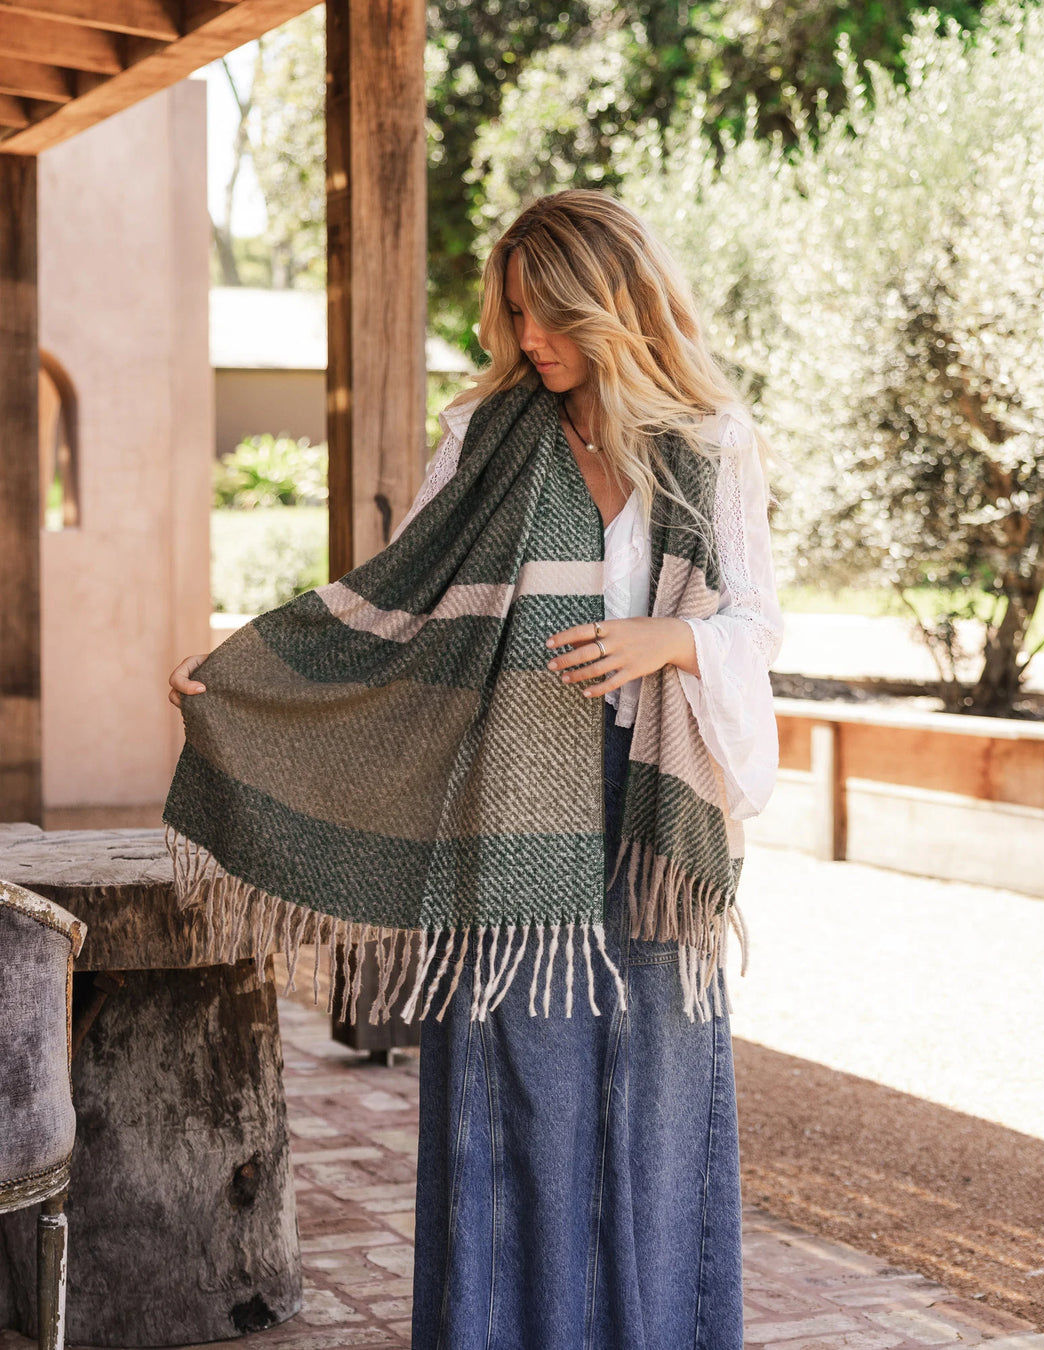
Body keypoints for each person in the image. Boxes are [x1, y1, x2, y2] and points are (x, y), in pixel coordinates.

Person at [169, 188, 782, 1350]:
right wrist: (246, 671)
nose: (528, 339)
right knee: (516, 1092)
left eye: (548, 316)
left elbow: (755, 622)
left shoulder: (712, 442)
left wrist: (670, 640)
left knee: (657, 1090)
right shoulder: (488, 436)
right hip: (510, 808)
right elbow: (399, 602)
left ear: (612, 307)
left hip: (655, 808)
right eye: (515, 315)